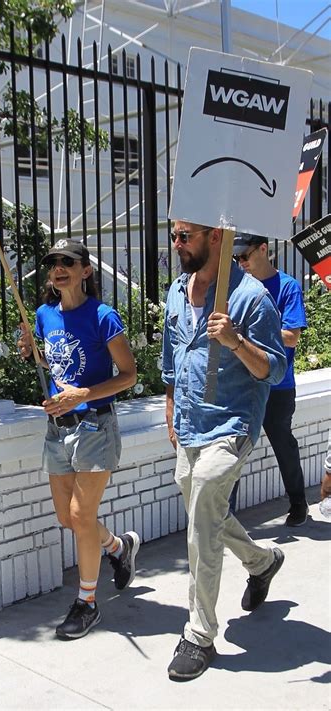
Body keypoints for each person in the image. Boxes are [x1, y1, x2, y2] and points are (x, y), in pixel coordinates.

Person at [162, 221, 288, 681]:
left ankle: (199, 634)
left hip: (231, 425)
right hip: (189, 423)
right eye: (174, 235)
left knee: (202, 518)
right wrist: (171, 406)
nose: (177, 245)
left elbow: (273, 371)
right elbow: (171, 359)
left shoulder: (251, 297)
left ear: (217, 237)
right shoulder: (177, 291)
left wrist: (234, 339)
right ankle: (262, 561)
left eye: (186, 236)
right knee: (204, 511)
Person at [18, 238, 139, 640]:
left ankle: (87, 602)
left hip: (94, 428)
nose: (58, 267)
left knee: (82, 516)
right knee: (66, 518)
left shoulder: (103, 316)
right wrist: (28, 350)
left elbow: (129, 375)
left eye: (68, 261)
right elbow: (48, 361)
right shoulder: (42, 315)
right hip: (58, 429)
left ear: (85, 271)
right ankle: (118, 548)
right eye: (52, 262)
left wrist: (83, 394)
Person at [229, 235, 309, 526]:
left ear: (264, 249)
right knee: (232, 450)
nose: (241, 263)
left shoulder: (287, 286)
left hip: (278, 385)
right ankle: (226, 515)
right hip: (244, 384)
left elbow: (292, 336)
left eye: (245, 256)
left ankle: (298, 503)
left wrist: (246, 334)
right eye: (236, 259)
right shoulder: (236, 286)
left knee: (283, 445)